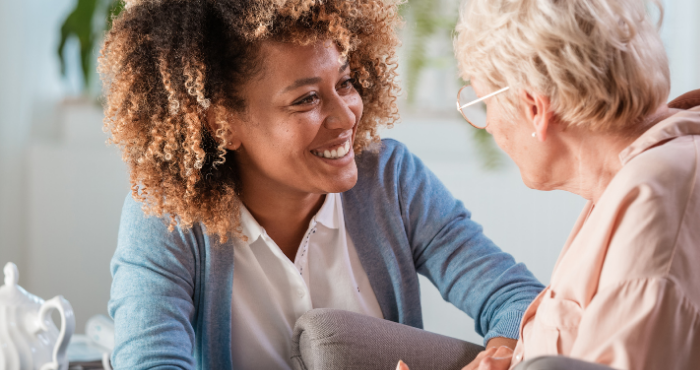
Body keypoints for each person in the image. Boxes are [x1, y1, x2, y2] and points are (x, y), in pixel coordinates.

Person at [100, 0, 544, 369]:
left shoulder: (390, 180)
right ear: (222, 123)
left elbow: (517, 299)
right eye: (307, 99)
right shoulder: (165, 216)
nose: (348, 114)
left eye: (345, 82)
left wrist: (498, 357)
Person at [405, 0, 700, 369]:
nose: (490, 125)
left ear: (534, 108)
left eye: (483, 103)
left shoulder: (657, 200)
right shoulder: (630, 184)